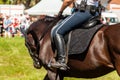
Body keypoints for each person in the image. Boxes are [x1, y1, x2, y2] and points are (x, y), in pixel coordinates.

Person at [51, 0, 102, 70]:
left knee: (57, 31)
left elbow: (67, 1)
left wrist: (60, 12)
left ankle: (61, 60)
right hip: (95, 13)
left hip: (83, 12)